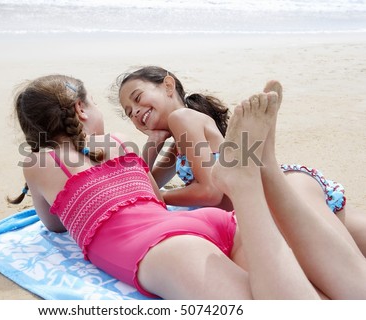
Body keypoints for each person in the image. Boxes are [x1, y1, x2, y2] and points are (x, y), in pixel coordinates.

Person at [7, 74, 366, 299]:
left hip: (163, 246)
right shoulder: (117, 143)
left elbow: (54, 224)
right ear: (81, 109)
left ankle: (247, 187)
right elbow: (150, 193)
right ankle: (254, 181)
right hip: (208, 222)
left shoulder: (38, 163)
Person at [117, 66, 366, 257]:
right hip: (275, 200)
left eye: (138, 98)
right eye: (129, 112)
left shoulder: (183, 118)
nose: (135, 111)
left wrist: (162, 198)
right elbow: (142, 183)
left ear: (168, 86)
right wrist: (153, 143)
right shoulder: (177, 140)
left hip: (278, 199)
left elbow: (209, 192)